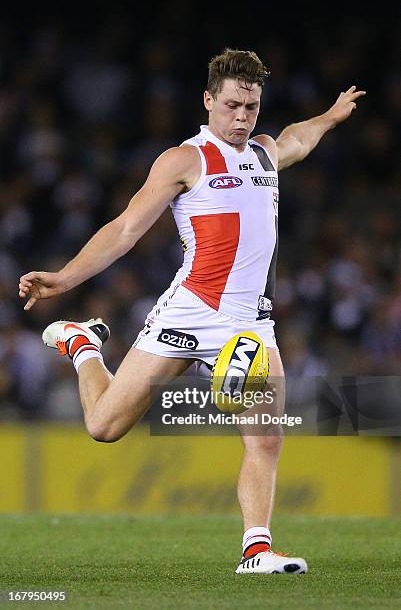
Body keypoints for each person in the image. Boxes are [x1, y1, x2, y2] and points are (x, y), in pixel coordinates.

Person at [18, 48, 365, 574]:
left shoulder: (265, 153)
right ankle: (83, 344)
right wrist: (64, 278)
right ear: (208, 101)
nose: (242, 117)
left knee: (267, 437)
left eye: (251, 106)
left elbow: (299, 136)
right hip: (190, 311)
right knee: (105, 428)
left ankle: (257, 549)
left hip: (250, 321)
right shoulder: (186, 160)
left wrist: (331, 116)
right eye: (231, 105)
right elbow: (125, 230)